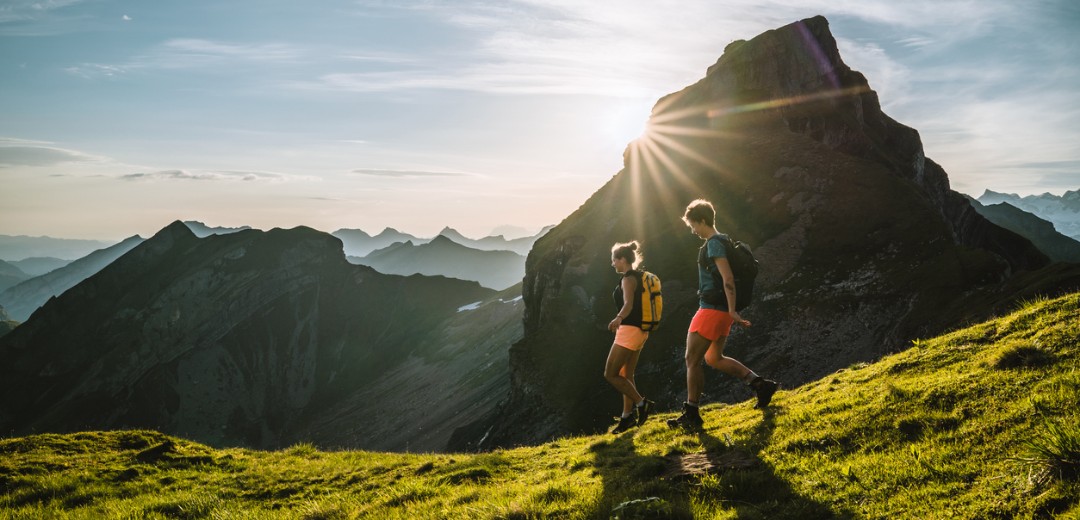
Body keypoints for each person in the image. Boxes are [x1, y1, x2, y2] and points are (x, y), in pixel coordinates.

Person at [669, 199, 779, 429]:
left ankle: (691, 413)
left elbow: (727, 278)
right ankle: (760, 384)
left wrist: (731, 310)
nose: (693, 230)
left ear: (701, 220)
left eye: (693, 225)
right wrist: (731, 312)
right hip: (721, 311)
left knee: (692, 359)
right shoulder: (725, 240)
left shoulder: (714, 244)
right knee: (713, 358)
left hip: (712, 309)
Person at [604, 241, 655, 433]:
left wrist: (618, 318)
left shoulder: (627, 279)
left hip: (629, 330)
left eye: (614, 260)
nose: (612, 264)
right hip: (641, 331)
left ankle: (642, 404)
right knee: (627, 375)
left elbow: (628, 304)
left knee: (610, 374)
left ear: (623, 259)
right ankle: (627, 417)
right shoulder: (640, 276)